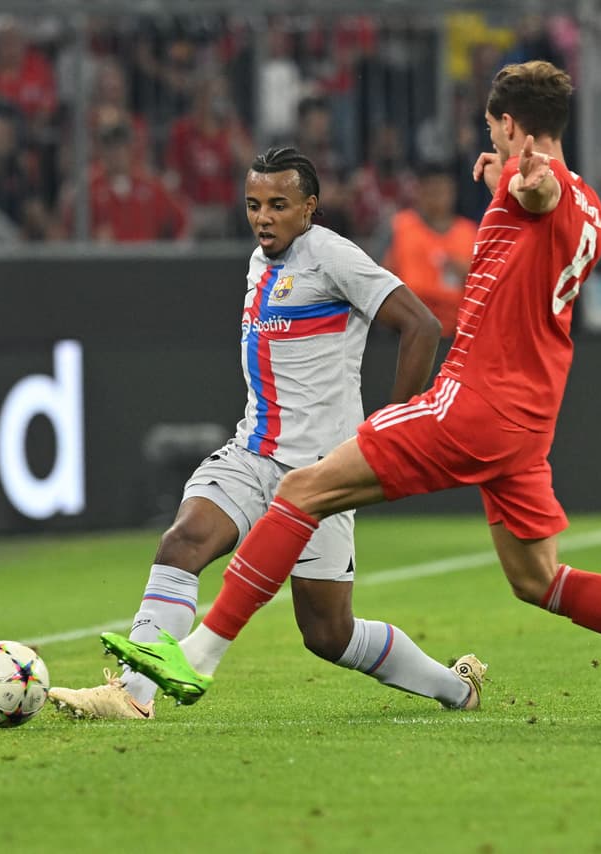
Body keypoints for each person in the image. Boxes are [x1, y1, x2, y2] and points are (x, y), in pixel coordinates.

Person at [101, 60, 601, 724]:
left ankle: (199, 657)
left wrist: (524, 183)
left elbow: (538, 192)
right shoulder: (591, 203)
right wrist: (512, 179)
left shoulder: (545, 184)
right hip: (528, 421)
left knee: (302, 491)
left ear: (509, 124)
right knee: (539, 580)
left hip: (474, 401)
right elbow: (542, 205)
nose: (494, 144)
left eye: (493, 130)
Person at [49, 147, 486, 719]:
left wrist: (390, 429)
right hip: (253, 453)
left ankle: (457, 688)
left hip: (323, 474)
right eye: (254, 204)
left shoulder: (332, 256)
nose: (263, 217)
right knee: (183, 541)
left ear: (309, 207)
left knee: (328, 632)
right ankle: (133, 695)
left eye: (279, 205)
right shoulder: (261, 262)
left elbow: (422, 326)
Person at [381, 162, 479, 337]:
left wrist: (467, 274)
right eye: (431, 191)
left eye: (442, 191)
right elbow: (381, 280)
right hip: (407, 329)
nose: (437, 198)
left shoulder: (469, 232)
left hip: (459, 331)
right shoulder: (400, 226)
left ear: (452, 193)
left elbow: (484, 287)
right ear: (419, 192)